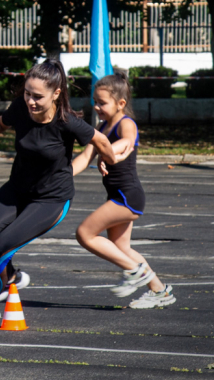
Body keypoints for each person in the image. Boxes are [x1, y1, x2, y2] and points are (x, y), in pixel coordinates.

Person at [0, 59, 118, 323]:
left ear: (56, 94)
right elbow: (1, 123)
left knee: (3, 244)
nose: (30, 101)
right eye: (27, 94)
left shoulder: (67, 121)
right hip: (18, 188)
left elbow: (100, 140)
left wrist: (109, 161)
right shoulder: (21, 108)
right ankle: (11, 276)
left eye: (37, 97)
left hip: (51, 199)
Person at [72, 72, 175, 309]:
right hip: (117, 195)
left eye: (102, 103)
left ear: (121, 103)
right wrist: (63, 175)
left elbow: (126, 142)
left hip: (128, 197)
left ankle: (134, 271)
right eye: (95, 102)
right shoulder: (101, 127)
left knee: (85, 233)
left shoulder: (126, 123)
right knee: (122, 248)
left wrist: (107, 153)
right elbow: (85, 157)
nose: (96, 107)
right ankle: (160, 291)